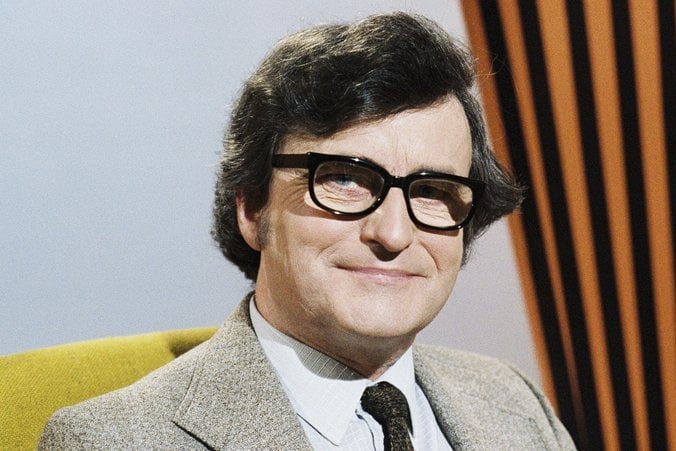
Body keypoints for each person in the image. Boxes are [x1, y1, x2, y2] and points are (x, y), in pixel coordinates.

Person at [39, 12, 575, 450]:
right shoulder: (109, 440)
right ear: (252, 208)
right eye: (344, 180)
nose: (393, 234)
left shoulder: (514, 401)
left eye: (432, 190)